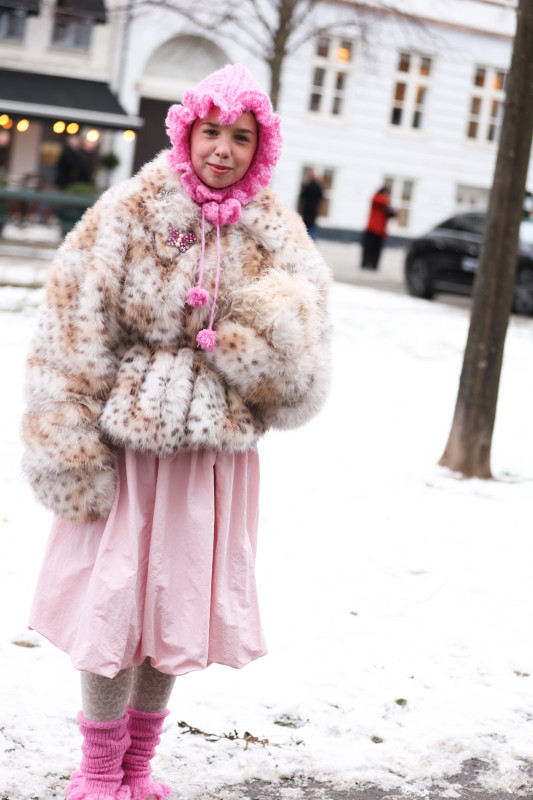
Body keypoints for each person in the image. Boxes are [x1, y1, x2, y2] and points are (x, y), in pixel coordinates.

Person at [21, 64, 332, 800]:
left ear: (260, 147)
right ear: (187, 131)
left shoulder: (276, 230)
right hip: (127, 449)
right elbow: (73, 319)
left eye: (241, 137)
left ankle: (137, 768)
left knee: (173, 609)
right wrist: (68, 441)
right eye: (211, 131)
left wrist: (243, 346)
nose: (223, 149)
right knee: (112, 608)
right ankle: (98, 771)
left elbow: (306, 353)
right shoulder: (132, 206)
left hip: (211, 459)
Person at [361, 185, 396, 270]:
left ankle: (374, 265)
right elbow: (377, 200)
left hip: (380, 231)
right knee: (368, 247)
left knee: (377, 250)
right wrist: (386, 200)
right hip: (372, 229)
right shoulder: (377, 198)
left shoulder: (386, 204)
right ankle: (365, 263)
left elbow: (391, 214)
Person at [298, 168, 323, 239]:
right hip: (313, 209)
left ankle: (305, 237)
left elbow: (302, 195)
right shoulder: (318, 186)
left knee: (307, 224)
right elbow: (320, 196)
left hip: (307, 209)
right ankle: (311, 238)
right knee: (311, 225)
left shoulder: (308, 185)